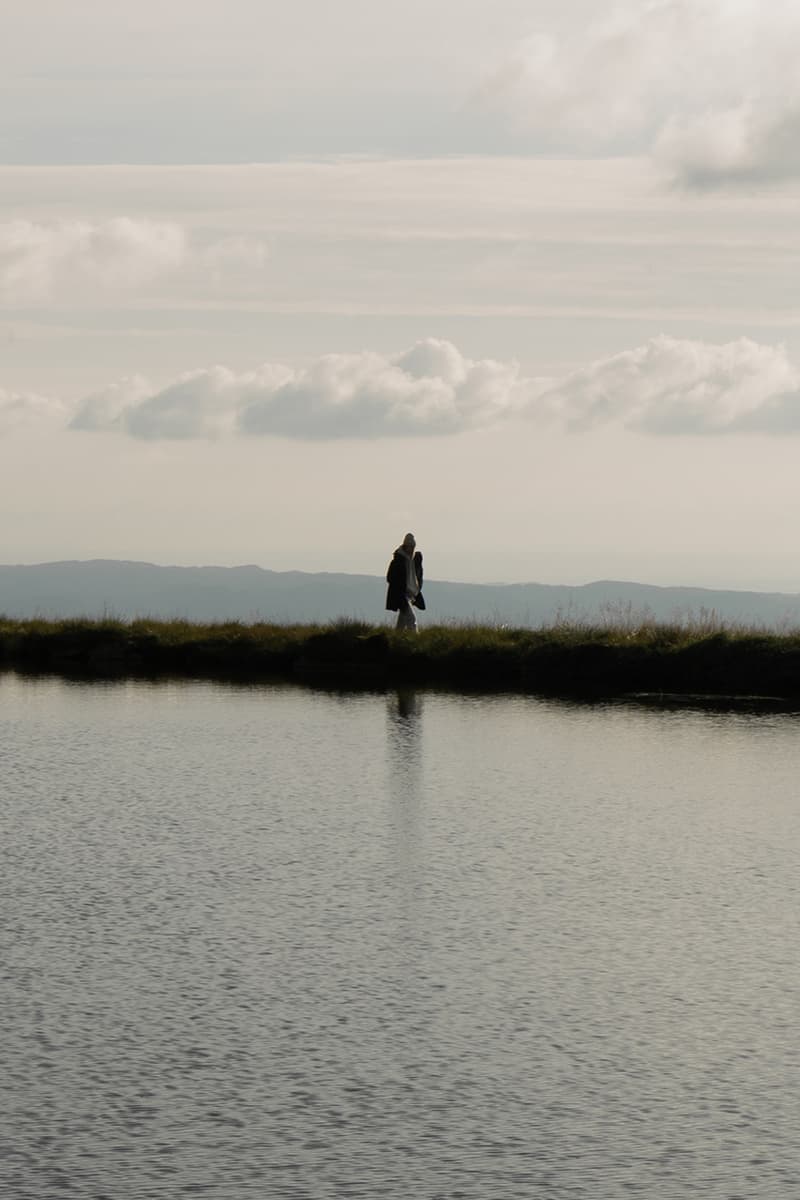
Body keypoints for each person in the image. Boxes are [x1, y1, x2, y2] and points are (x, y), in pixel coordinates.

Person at [386, 532, 425, 631]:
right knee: (412, 619)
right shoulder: (398, 561)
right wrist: (399, 587)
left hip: (411, 593)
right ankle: (415, 640)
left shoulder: (415, 560)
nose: (411, 549)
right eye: (409, 546)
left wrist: (417, 589)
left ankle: (396, 638)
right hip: (401, 595)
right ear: (405, 546)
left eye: (413, 547)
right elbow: (390, 577)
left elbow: (419, 575)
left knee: (402, 622)